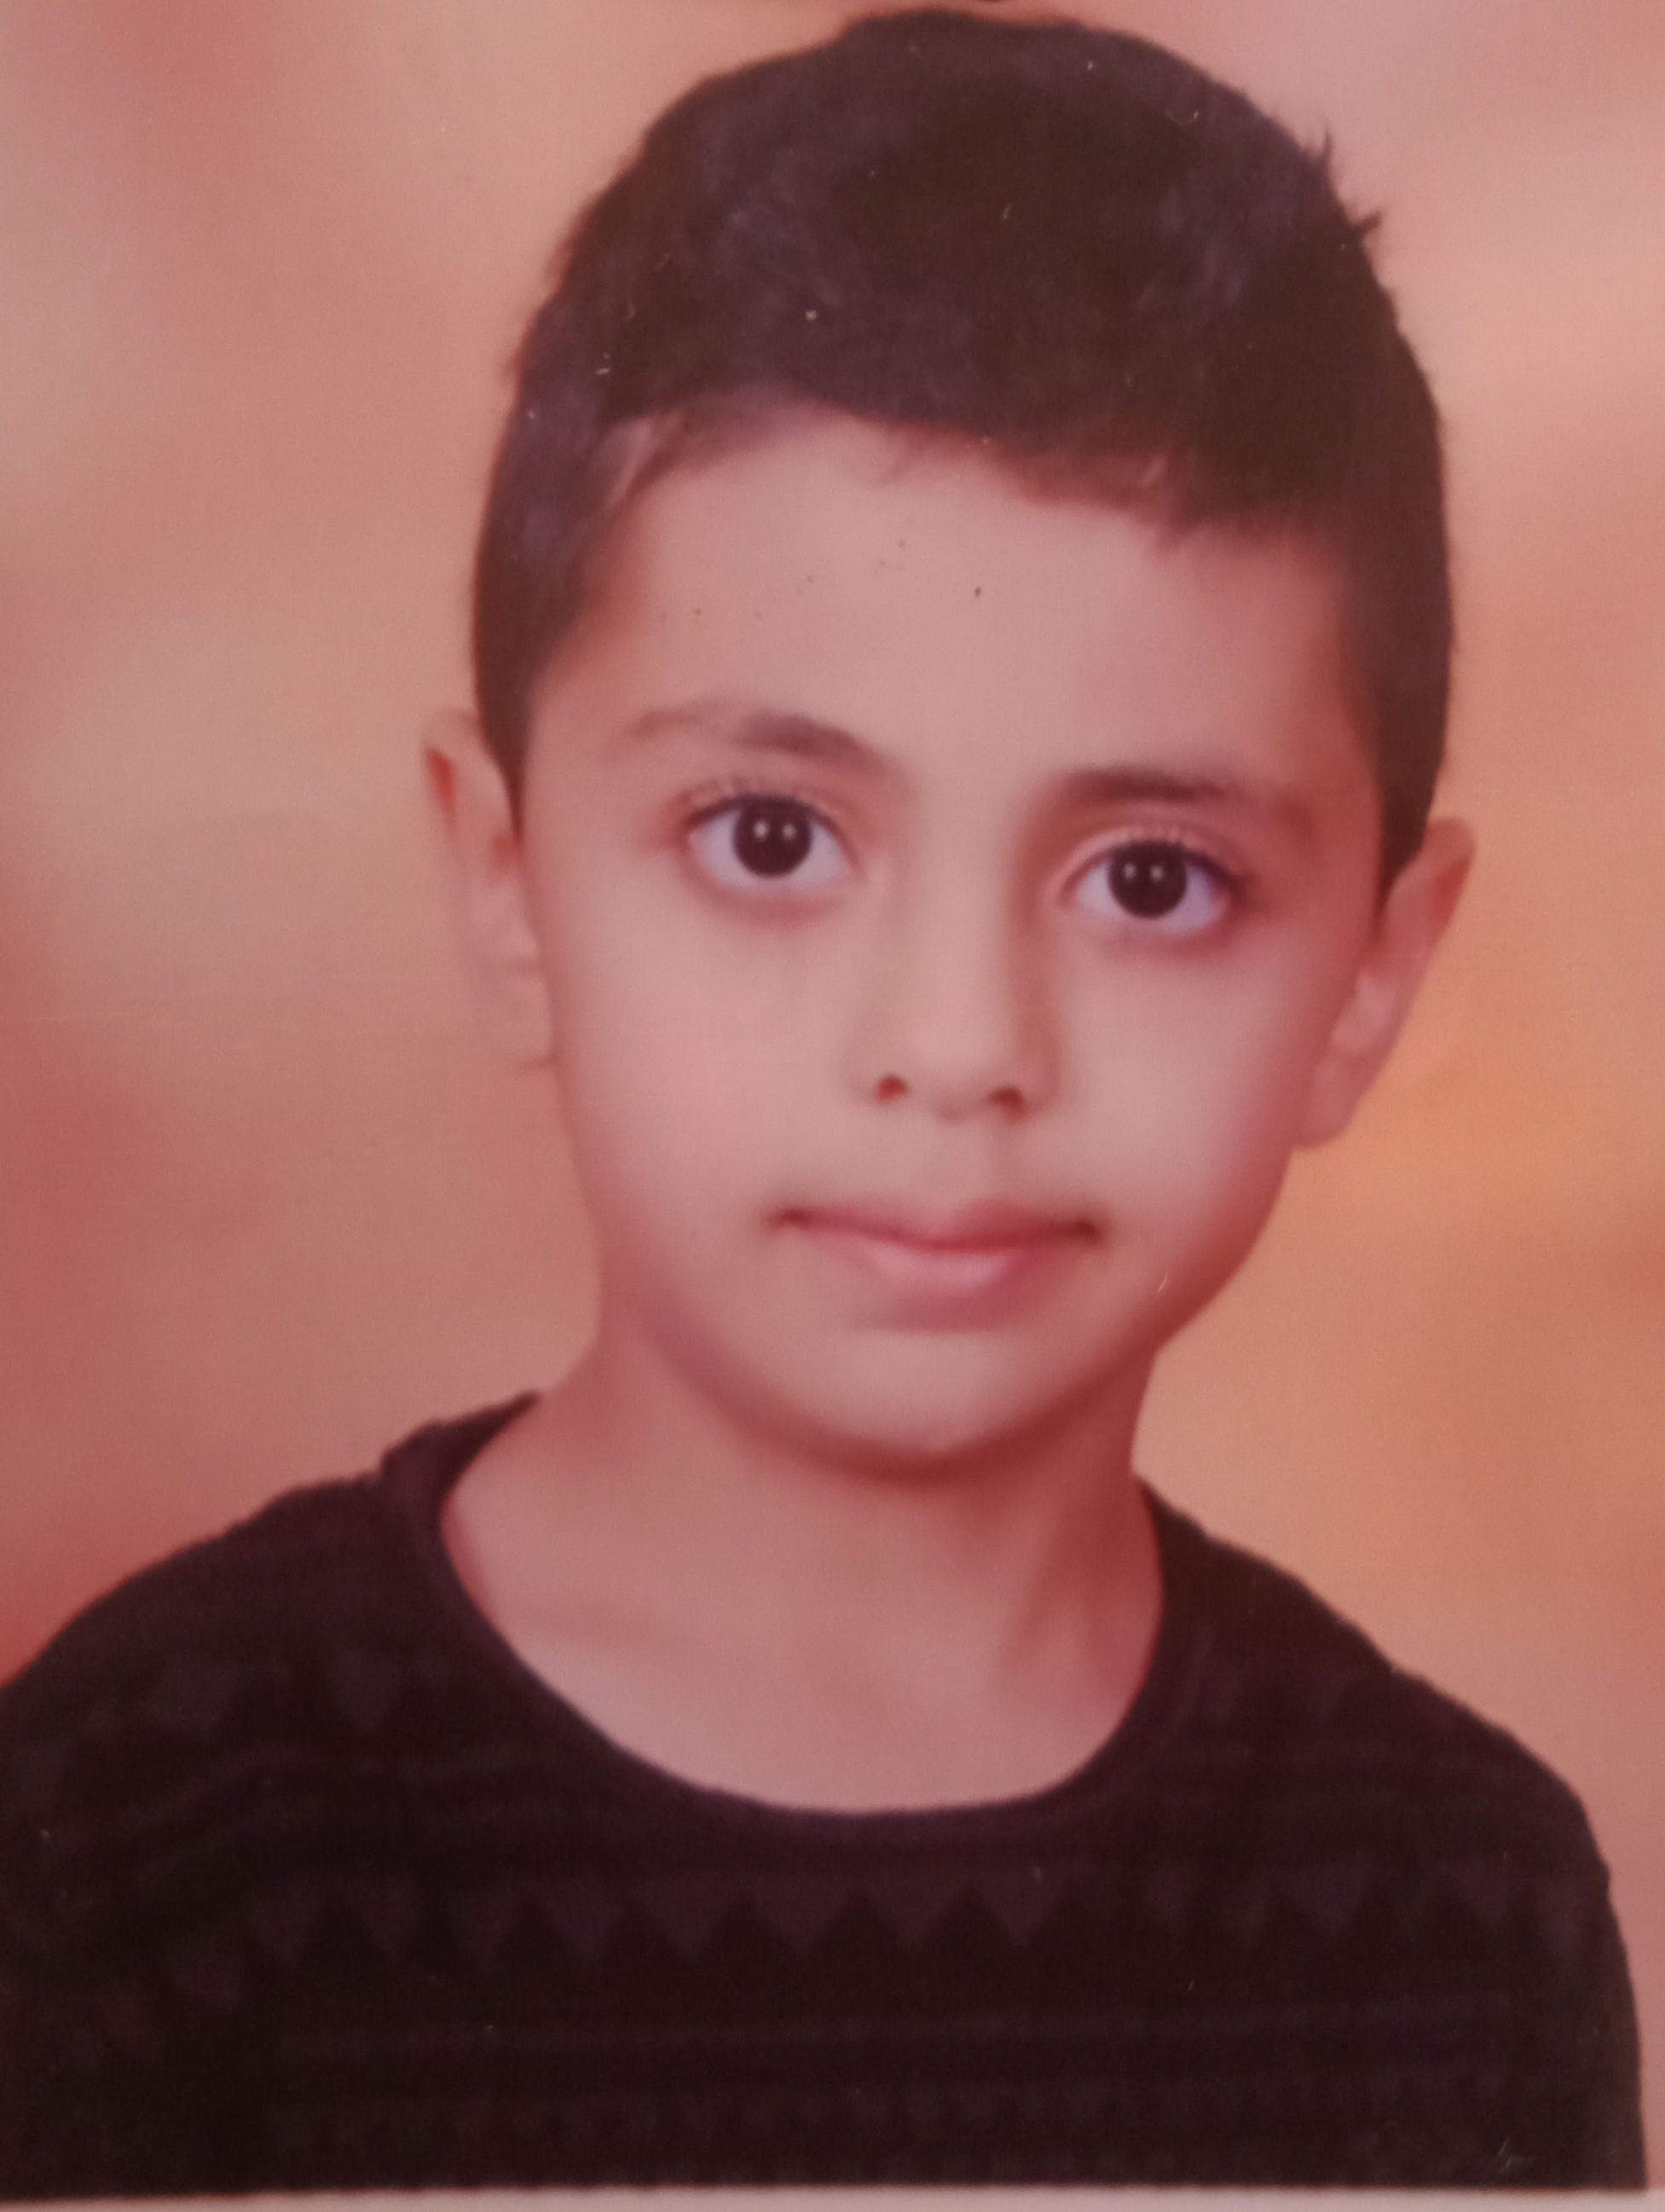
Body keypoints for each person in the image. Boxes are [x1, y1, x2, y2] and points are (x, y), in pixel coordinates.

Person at [0, 8, 1644, 2192]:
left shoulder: (1455, 1913)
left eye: (1150, 880)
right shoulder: (135, 1836)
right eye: (770, 838)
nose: (955, 1045)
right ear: (506, 879)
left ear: (1370, 975)